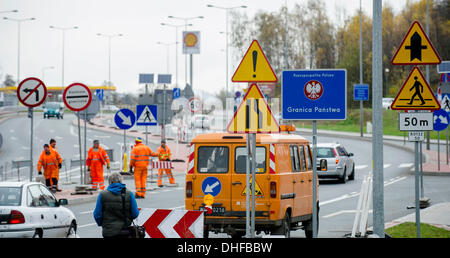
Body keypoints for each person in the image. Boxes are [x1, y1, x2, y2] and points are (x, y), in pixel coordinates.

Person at [93, 172, 139, 238]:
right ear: (121, 181)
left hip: (108, 232)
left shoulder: (102, 195)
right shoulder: (129, 194)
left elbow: (97, 215)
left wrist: (104, 224)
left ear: (109, 182)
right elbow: (135, 214)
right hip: (125, 231)